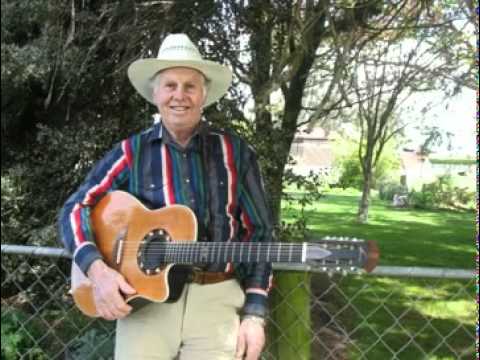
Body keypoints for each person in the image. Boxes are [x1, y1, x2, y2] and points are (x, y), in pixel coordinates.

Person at [58, 33, 274, 360]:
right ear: (155, 94)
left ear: (204, 94)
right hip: (145, 305)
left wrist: (255, 314)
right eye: (170, 85)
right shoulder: (131, 152)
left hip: (217, 303)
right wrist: (98, 271)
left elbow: (260, 234)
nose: (180, 96)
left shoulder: (236, 153)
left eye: (190, 86)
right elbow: (76, 208)